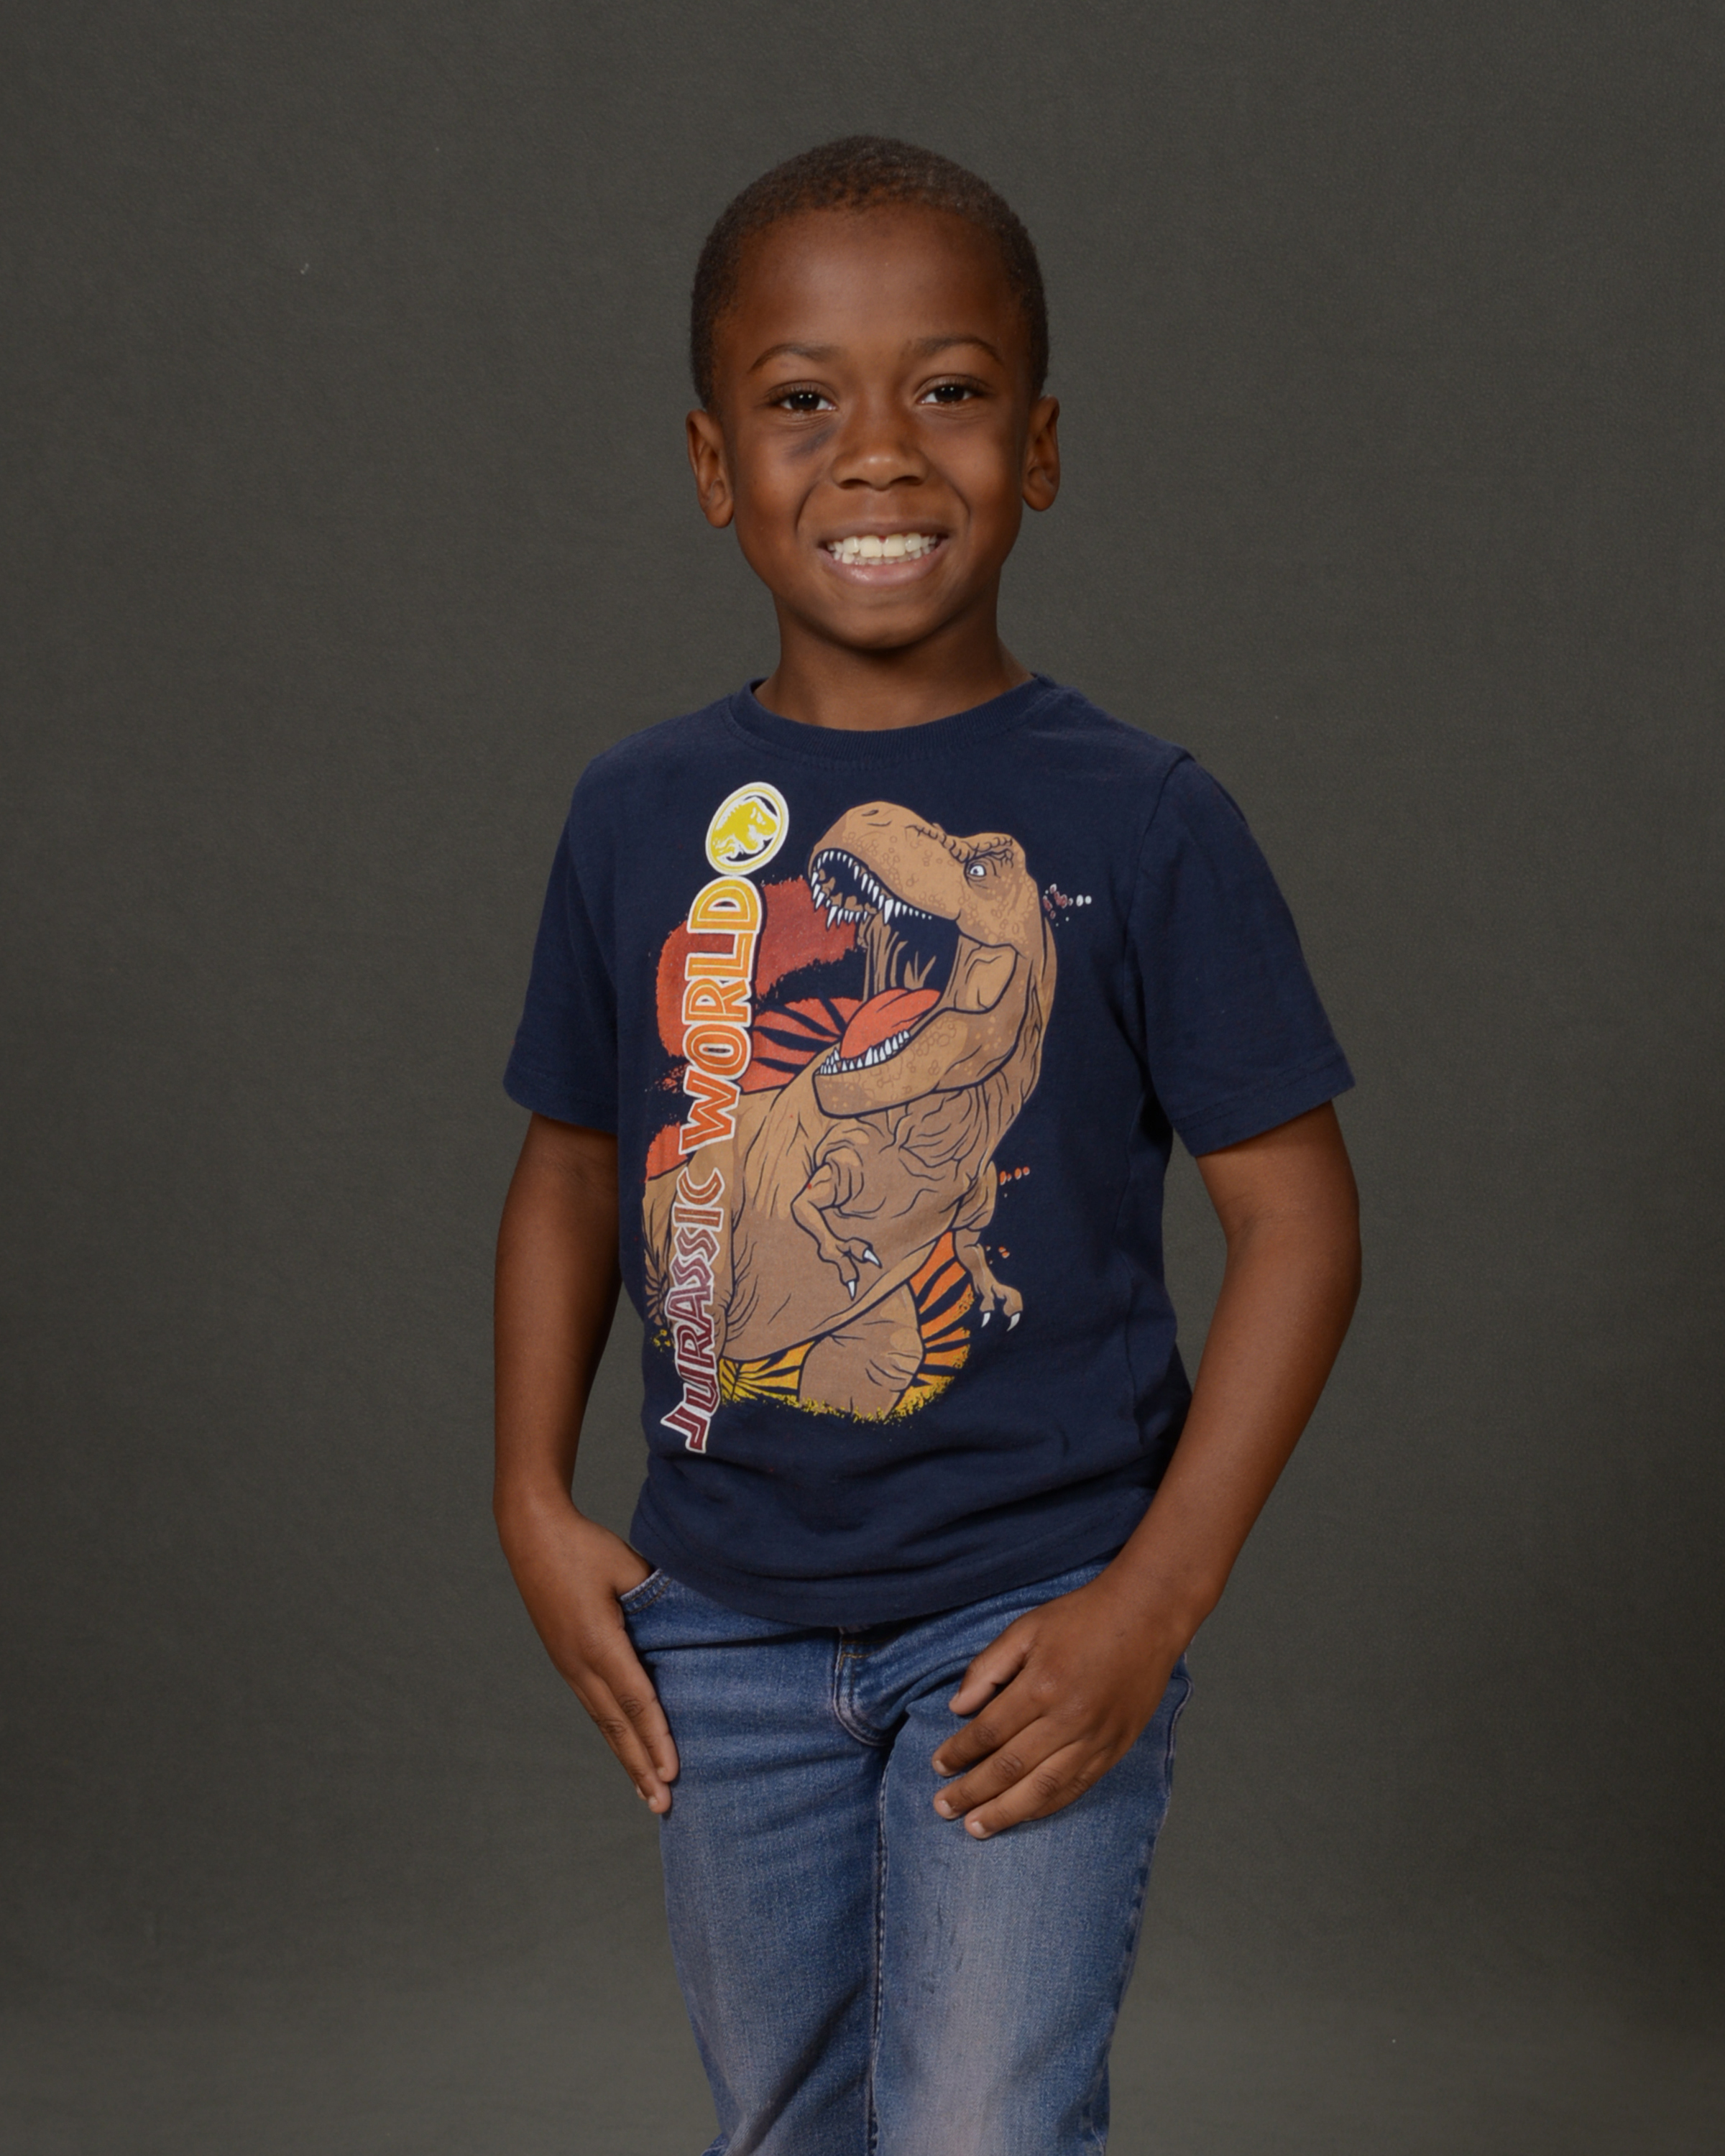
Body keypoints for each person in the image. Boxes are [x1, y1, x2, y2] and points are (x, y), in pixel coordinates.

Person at [494, 137, 1361, 2156]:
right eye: (804, 399)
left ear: (1037, 448)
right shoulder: (635, 813)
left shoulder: (1143, 817)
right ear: (713, 462)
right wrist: (529, 1494)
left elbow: (1301, 1224)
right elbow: (572, 1167)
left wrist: (1156, 1599)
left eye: (949, 390)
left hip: (1027, 1611)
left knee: (978, 2123)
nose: (878, 451)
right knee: (784, 2122)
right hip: (717, 1618)